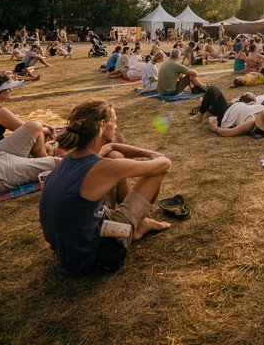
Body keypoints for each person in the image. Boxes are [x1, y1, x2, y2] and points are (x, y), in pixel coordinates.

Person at [39, 100, 171, 274]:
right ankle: (133, 228)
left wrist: (146, 153)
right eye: (114, 121)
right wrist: (155, 155)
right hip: (92, 256)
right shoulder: (103, 168)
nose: (116, 126)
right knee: (155, 172)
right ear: (102, 125)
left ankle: (135, 223)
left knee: (116, 155)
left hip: (69, 251)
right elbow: (164, 165)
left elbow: (112, 146)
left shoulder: (72, 158)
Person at [0, 74, 55, 157]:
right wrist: (48, 130)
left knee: (36, 128)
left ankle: (43, 158)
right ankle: (45, 160)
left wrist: (41, 125)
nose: (11, 90)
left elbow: (22, 125)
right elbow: (30, 130)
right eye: (7, 89)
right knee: (36, 130)